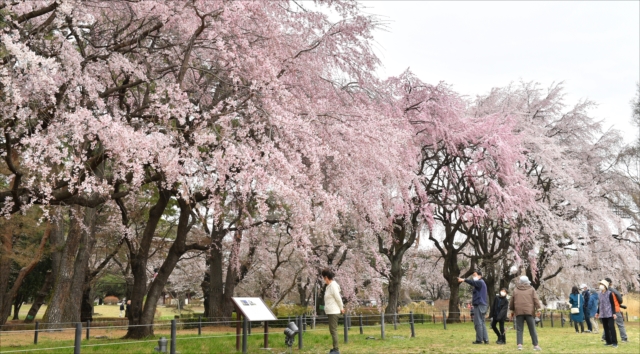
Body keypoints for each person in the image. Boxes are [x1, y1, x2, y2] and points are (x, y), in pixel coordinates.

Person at [509, 276, 542, 351]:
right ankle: (536, 345)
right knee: (532, 329)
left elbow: (512, 301)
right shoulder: (531, 289)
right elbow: (535, 299)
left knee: (519, 329)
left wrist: (512, 310)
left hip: (519, 311)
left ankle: (519, 345)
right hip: (529, 311)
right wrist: (538, 309)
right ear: (527, 282)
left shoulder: (516, 290)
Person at [457, 271, 489, 344]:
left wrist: (463, 280)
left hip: (479, 305)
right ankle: (486, 339)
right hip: (482, 305)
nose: (473, 277)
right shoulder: (481, 283)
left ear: (480, 276)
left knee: (478, 323)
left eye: (475, 275)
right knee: (482, 322)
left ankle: (479, 340)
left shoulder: (480, 282)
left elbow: (472, 282)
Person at [322, 269, 344, 354]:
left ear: (326, 277)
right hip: (331, 311)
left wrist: (341, 308)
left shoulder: (333, 286)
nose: (324, 279)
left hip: (334, 311)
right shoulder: (329, 286)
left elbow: (338, 298)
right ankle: (335, 348)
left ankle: (336, 350)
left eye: (324, 278)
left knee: (333, 330)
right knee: (332, 330)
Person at [602, 277, 628, 343]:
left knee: (607, 324)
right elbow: (620, 300)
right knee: (620, 324)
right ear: (611, 283)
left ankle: (604, 337)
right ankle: (624, 338)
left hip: (607, 310)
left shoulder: (603, 292)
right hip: (615, 310)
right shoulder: (614, 291)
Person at [595, 279, 618, 348]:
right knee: (605, 328)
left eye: (602, 284)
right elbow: (600, 304)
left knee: (611, 327)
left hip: (609, 313)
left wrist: (614, 313)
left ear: (605, 286)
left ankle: (614, 342)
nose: (601, 286)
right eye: (600, 284)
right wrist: (597, 312)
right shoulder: (599, 294)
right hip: (603, 313)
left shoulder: (610, 293)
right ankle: (608, 341)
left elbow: (612, 304)